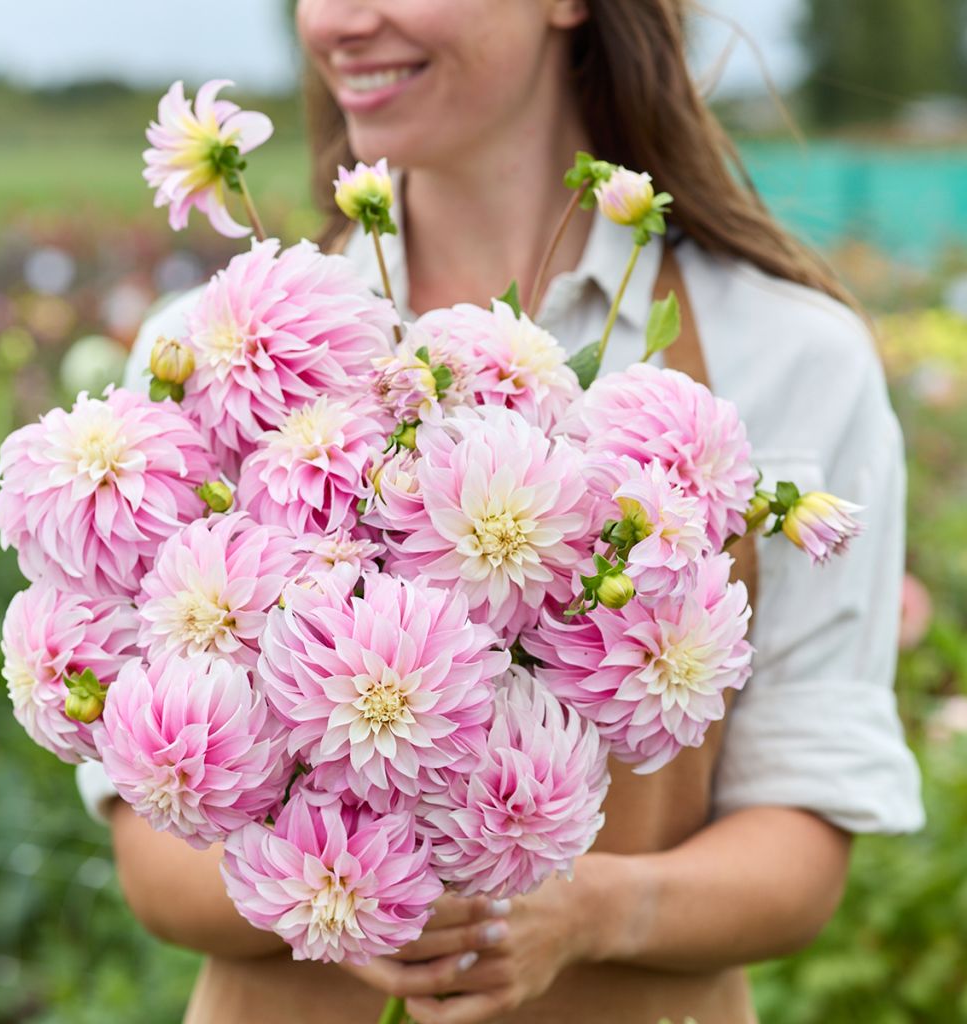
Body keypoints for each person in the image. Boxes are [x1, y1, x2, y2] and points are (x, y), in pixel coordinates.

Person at [77, 1, 924, 1021]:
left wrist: (589, 910)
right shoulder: (218, 351)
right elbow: (152, 854)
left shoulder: (792, 356)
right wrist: (349, 901)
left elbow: (802, 849)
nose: (338, 21)